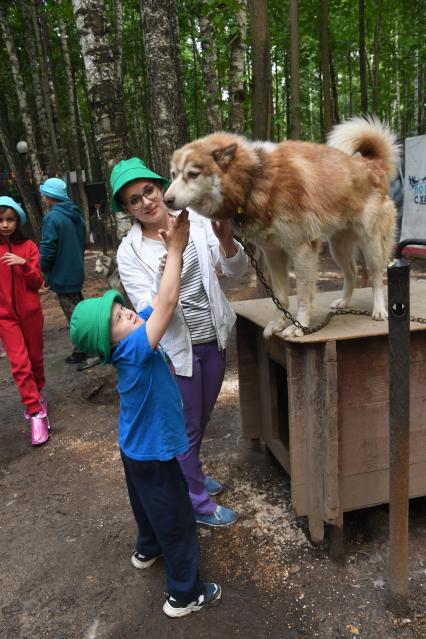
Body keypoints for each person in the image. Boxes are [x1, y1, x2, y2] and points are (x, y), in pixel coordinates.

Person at [69, 210, 222, 618]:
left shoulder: (133, 340)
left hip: (134, 450)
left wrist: (170, 261)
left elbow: (157, 302)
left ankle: (146, 549)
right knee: (177, 520)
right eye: (118, 319)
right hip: (155, 455)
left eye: (122, 308)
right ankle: (184, 595)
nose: (128, 313)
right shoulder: (135, 350)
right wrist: (174, 247)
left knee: (146, 510)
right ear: (108, 343)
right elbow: (169, 304)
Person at [111, 157, 248, 527]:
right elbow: (149, 312)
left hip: (213, 338)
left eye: (148, 191)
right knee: (185, 427)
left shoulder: (198, 220)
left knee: (200, 419)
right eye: (133, 200)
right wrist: (166, 267)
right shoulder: (130, 252)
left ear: (160, 187)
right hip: (175, 353)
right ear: (127, 210)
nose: (146, 202)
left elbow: (237, 272)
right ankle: (199, 503)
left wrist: (226, 240)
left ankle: (192, 476)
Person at [0, 196, 49, 445]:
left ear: (17, 222)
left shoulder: (29, 247)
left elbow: (38, 282)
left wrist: (23, 265)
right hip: (5, 318)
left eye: (10, 219)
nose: (5, 224)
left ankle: (39, 394)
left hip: (31, 314)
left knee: (35, 359)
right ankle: (35, 412)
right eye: (0, 220)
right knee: (20, 363)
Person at [38, 177, 98, 371]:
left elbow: (48, 248)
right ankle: (84, 347)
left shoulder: (52, 217)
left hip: (62, 275)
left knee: (74, 316)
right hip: (75, 271)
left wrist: (44, 270)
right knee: (79, 310)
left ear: (49, 196)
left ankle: (89, 350)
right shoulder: (76, 214)